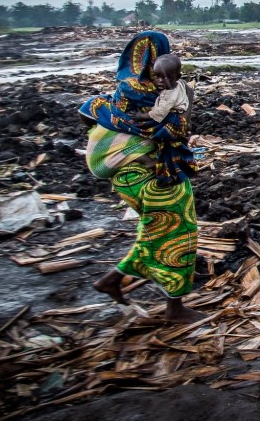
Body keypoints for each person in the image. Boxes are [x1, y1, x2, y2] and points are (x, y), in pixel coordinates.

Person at [78, 31, 203, 323]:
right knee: (179, 233)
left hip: (123, 177)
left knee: (153, 229)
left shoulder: (122, 91)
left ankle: (112, 279)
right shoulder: (159, 96)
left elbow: (88, 111)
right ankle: (174, 307)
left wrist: (115, 142)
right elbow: (178, 128)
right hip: (155, 175)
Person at [133, 55, 190, 123]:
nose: (160, 80)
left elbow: (159, 113)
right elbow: (187, 87)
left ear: (177, 77)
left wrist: (141, 116)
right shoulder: (179, 82)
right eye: (156, 76)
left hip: (175, 117)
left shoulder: (169, 97)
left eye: (166, 77)